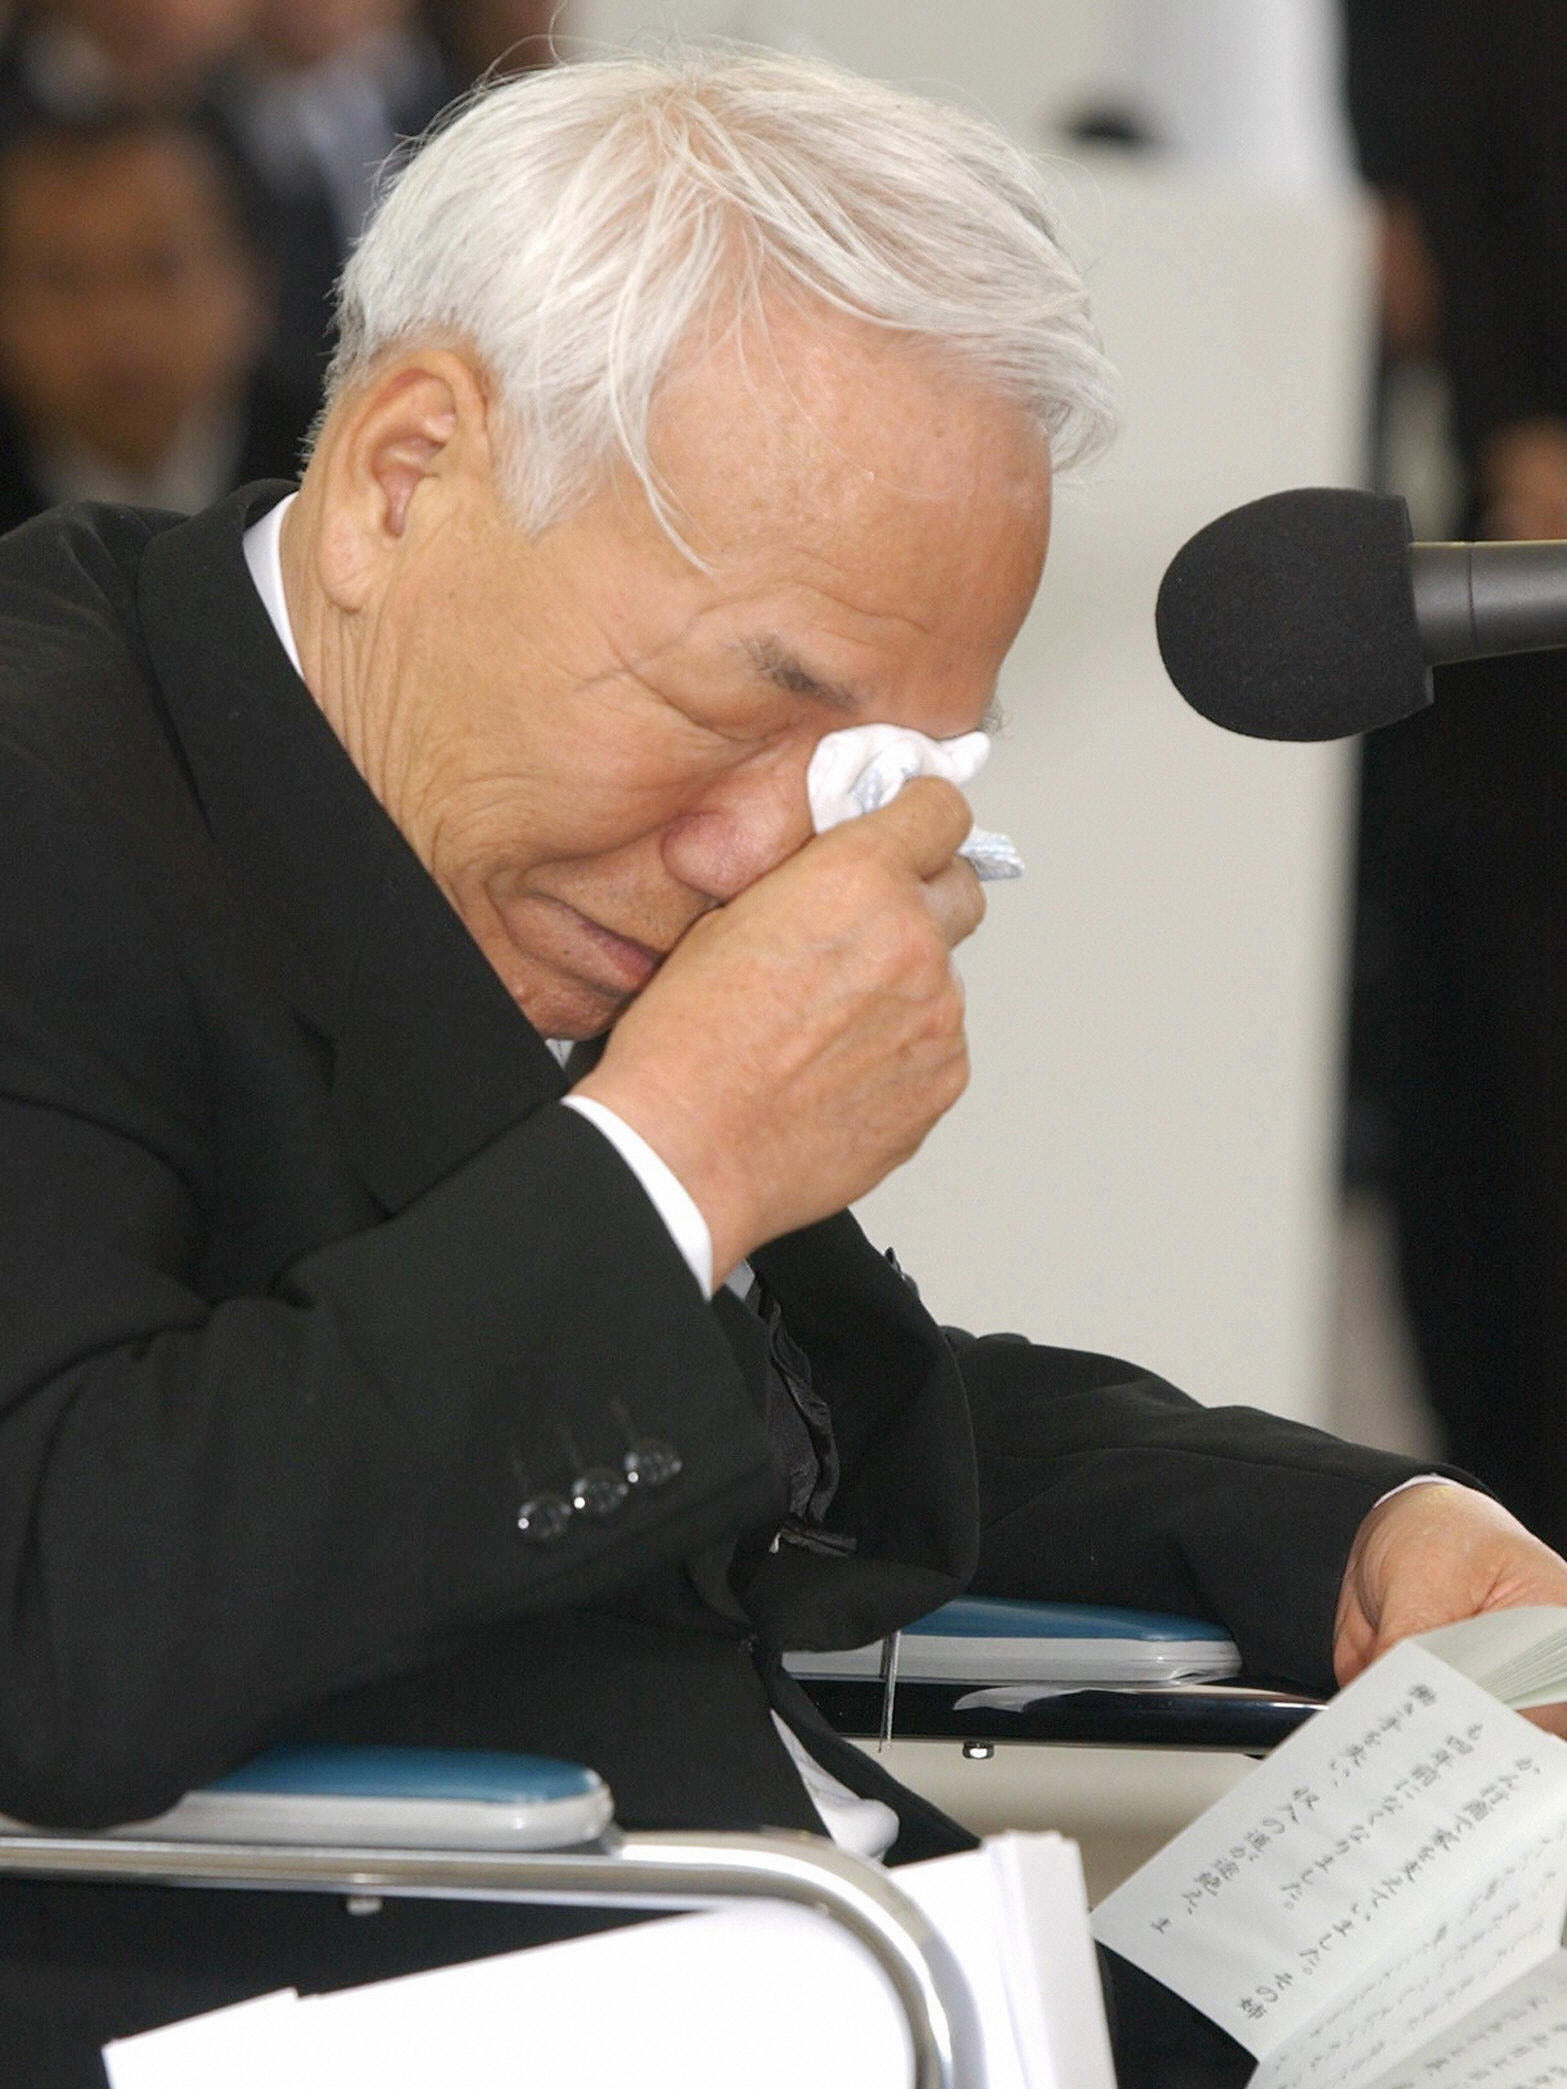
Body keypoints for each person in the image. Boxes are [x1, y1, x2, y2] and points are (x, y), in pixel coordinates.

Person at [0, 49, 1560, 2089]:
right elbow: (62, 1604)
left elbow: (796, 1439)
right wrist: (676, 1149)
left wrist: (1340, 1538)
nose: (773, 855)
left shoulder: (471, 819)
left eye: (879, 774)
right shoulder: (52, 795)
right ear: (404, 474)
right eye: (751, 703)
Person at [0, 110, 314, 530]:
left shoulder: (337, 471)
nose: (115, 321)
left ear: (252, 283)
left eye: (160, 267)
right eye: (62, 279)